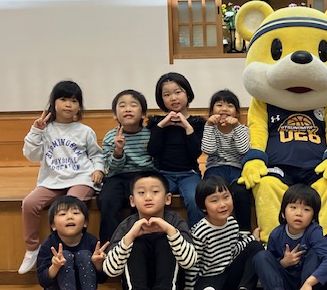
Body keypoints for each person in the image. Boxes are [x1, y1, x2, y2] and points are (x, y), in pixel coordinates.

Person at [19, 80, 104, 274]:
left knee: (71, 206)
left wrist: (98, 169)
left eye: (74, 101)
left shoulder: (85, 131)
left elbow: (96, 155)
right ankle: (32, 249)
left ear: (79, 106)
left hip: (81, 178)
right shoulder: (45, 130)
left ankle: (72, 247)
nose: (68, 105)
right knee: (29, 203)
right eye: (64, 99)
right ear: (53, 102)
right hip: (52, 180)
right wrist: (36, 131)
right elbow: (31, 155)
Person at [103, 171, 198, 290]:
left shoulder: (175, 221)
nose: (148, 197)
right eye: (141, 193)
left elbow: (190, 262)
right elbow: (111, 270)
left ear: (167, 198)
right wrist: (130, 237)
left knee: (165, 239)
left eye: (155, 192)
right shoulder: (127, 226)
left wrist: (170, 231)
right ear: (132, 201)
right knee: (135, 242)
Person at [185, 176, 264, 290]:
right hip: (208, 278)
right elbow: (193, 264)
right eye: (214, 200)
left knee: (255, 247)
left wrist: (251, 239)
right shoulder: (200, 231)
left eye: (226, 197)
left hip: (228, 274)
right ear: (203, 207)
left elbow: (233, 250)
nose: (222, 204)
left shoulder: (232, 224)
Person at [253, 184, 327, 290]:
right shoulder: (276, 234)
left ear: (313, 217)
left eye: (306, 209)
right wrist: (283, 263)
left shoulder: (314, 231)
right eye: (293, 207)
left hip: (309, 288)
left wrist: (309, 283)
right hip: (285, 285)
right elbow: (270, 265)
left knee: (315, 253)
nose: (299, 213)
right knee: (261, 256)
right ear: (283, 212)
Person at [36, 196, 108, 290]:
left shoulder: (92, 242)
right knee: (65, 256)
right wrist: (55, 267)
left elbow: (103, 279)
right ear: (53, 225)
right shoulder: (49, 245)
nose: (70, 217)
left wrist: (98, 264)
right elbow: (43, 280)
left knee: (84, 255)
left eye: (75, 213)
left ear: (85, 223)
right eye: (62, 214)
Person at [97, 89, 154, 244]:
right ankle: (110, 245)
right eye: (122, 106)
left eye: (133, 105)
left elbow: (156, 162)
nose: (128, 109)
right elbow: (110, 168)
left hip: (145, 175)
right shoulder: (111, 137)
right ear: (115, 114)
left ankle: (143, 243)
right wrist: (118, 151)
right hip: (118, 175)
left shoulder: (150, 134)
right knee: (107, 200)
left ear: (143, 114)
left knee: (143, 202)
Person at [148, 72, 205, 227]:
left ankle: (196, 237)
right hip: (163, 173)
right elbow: (152, 151)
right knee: (153, 199)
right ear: (161, 99)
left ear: (188, 94)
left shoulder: (197, 122)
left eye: (178, 92)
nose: (173, 98)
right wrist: (161, 126)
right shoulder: (156, 122)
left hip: (189, 174)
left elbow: (195, 153)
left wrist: (188, 127)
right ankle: (155, 234)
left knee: (195, 199)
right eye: (167, 95)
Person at [201, 89, 252, 231]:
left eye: (230, 106)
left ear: (237, 113)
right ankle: (214, 229)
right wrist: (209, 126)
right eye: (219, 105)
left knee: (240, 192)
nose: (224, 109)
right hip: (215, 168)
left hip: (237, 168)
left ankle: (245, 231)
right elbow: (208, 149)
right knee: (214, 191)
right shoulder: (210, 128)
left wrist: (236, 127)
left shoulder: (242, 129)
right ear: (211, 112)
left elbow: (244, 150)